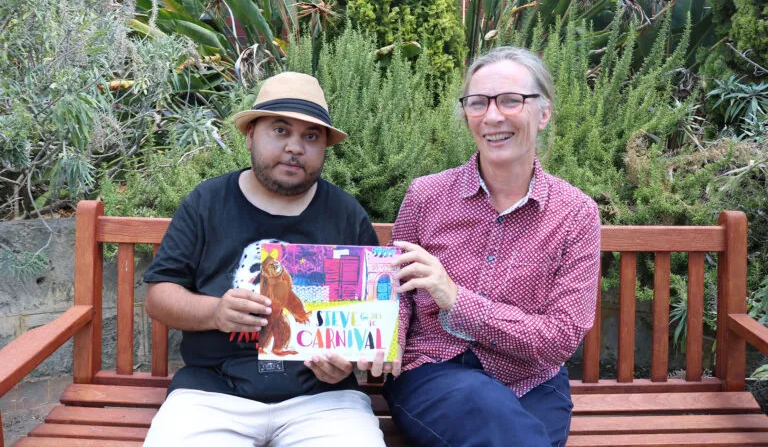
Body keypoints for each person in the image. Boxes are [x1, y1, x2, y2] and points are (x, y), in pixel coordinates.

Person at [142, 72, 387, 447]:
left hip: (323, 399)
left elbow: (368, 318)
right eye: (280, 130)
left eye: (310, 136)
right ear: (250, 135)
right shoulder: (206, 203)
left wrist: (347, 363)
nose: (295, 147)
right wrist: (214, 312)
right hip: (212, 393)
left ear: (324, 148)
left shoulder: (345, 214)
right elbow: (159, 297)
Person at [382, 47, 602, 447]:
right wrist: (388, 342)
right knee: (501, 425)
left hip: (532, 379)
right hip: (435, 368)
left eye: (511, 100)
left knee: (512, 434)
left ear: (544, 112)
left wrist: (456, 299)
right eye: (478, 103)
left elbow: (561, 337)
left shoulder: (576, 214)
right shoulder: (426, 196)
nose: (493, 116)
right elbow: (395, 290)